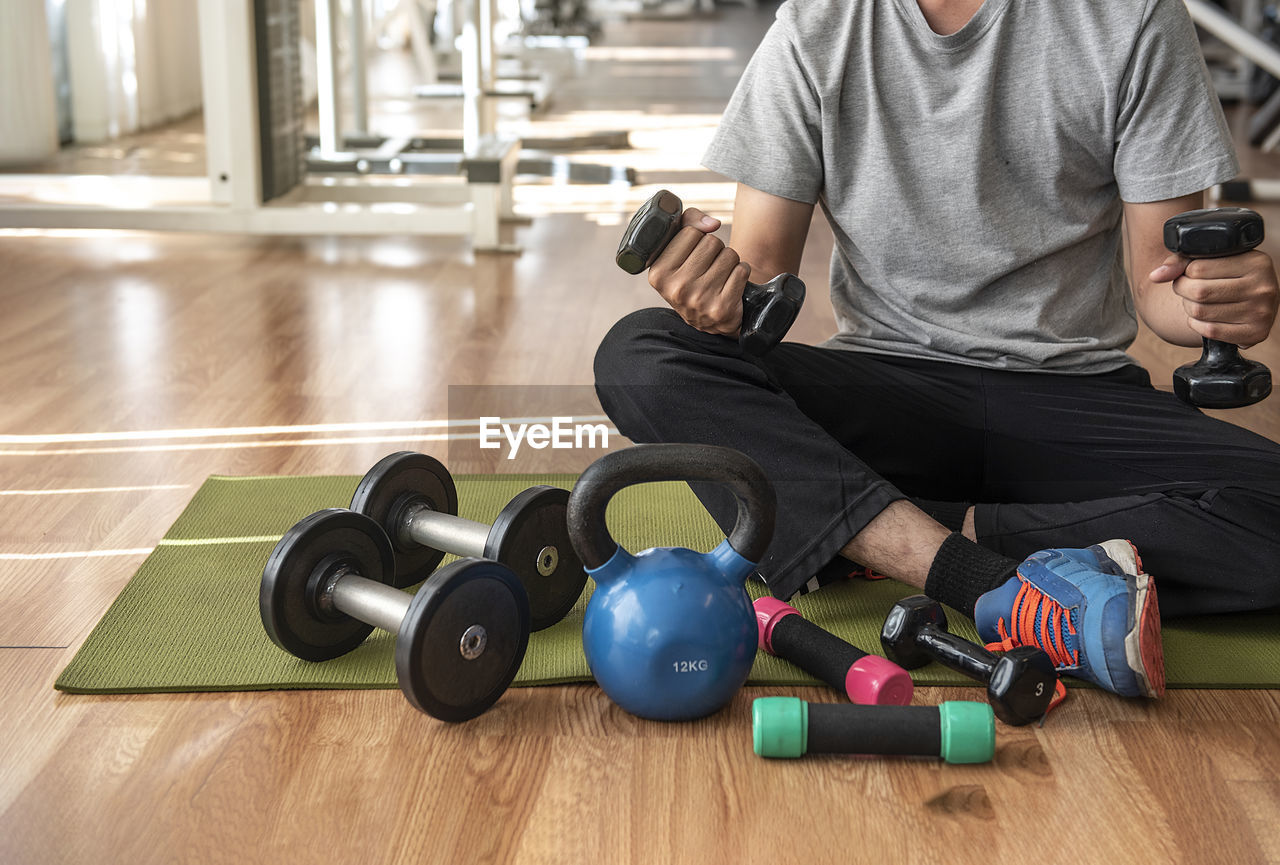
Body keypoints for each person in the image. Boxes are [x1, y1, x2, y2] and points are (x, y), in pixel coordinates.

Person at [592, 0, 1280, 700]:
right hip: (892, 390)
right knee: (642, 355)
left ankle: (889, 533)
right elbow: (760, 277)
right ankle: (981, 583)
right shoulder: (818, 25)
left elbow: (1162, 287)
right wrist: (712, 295)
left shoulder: (1133, 17)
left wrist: (1217, 301)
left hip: (1072, 398)